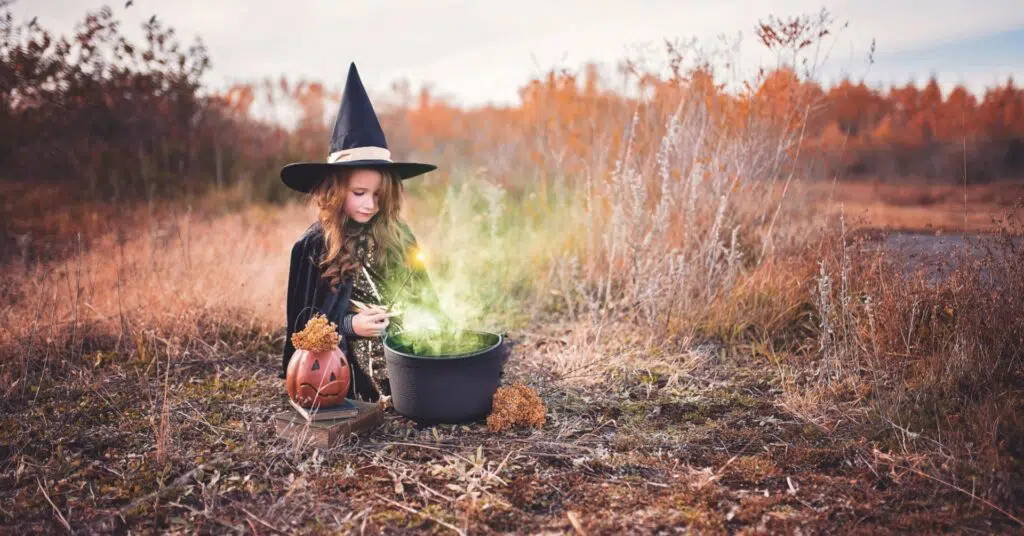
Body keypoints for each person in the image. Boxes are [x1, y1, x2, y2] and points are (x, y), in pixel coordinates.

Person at [280, 63, 443, 402]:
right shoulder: (314, 246)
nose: (370, 204)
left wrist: (415, 317)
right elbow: (304, 325)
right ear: (336, 190)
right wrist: (350, 325)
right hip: (346, 373)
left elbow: (422, 293)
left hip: (406, 358)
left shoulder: (398, 233)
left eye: (379, 195)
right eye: (359, 194)